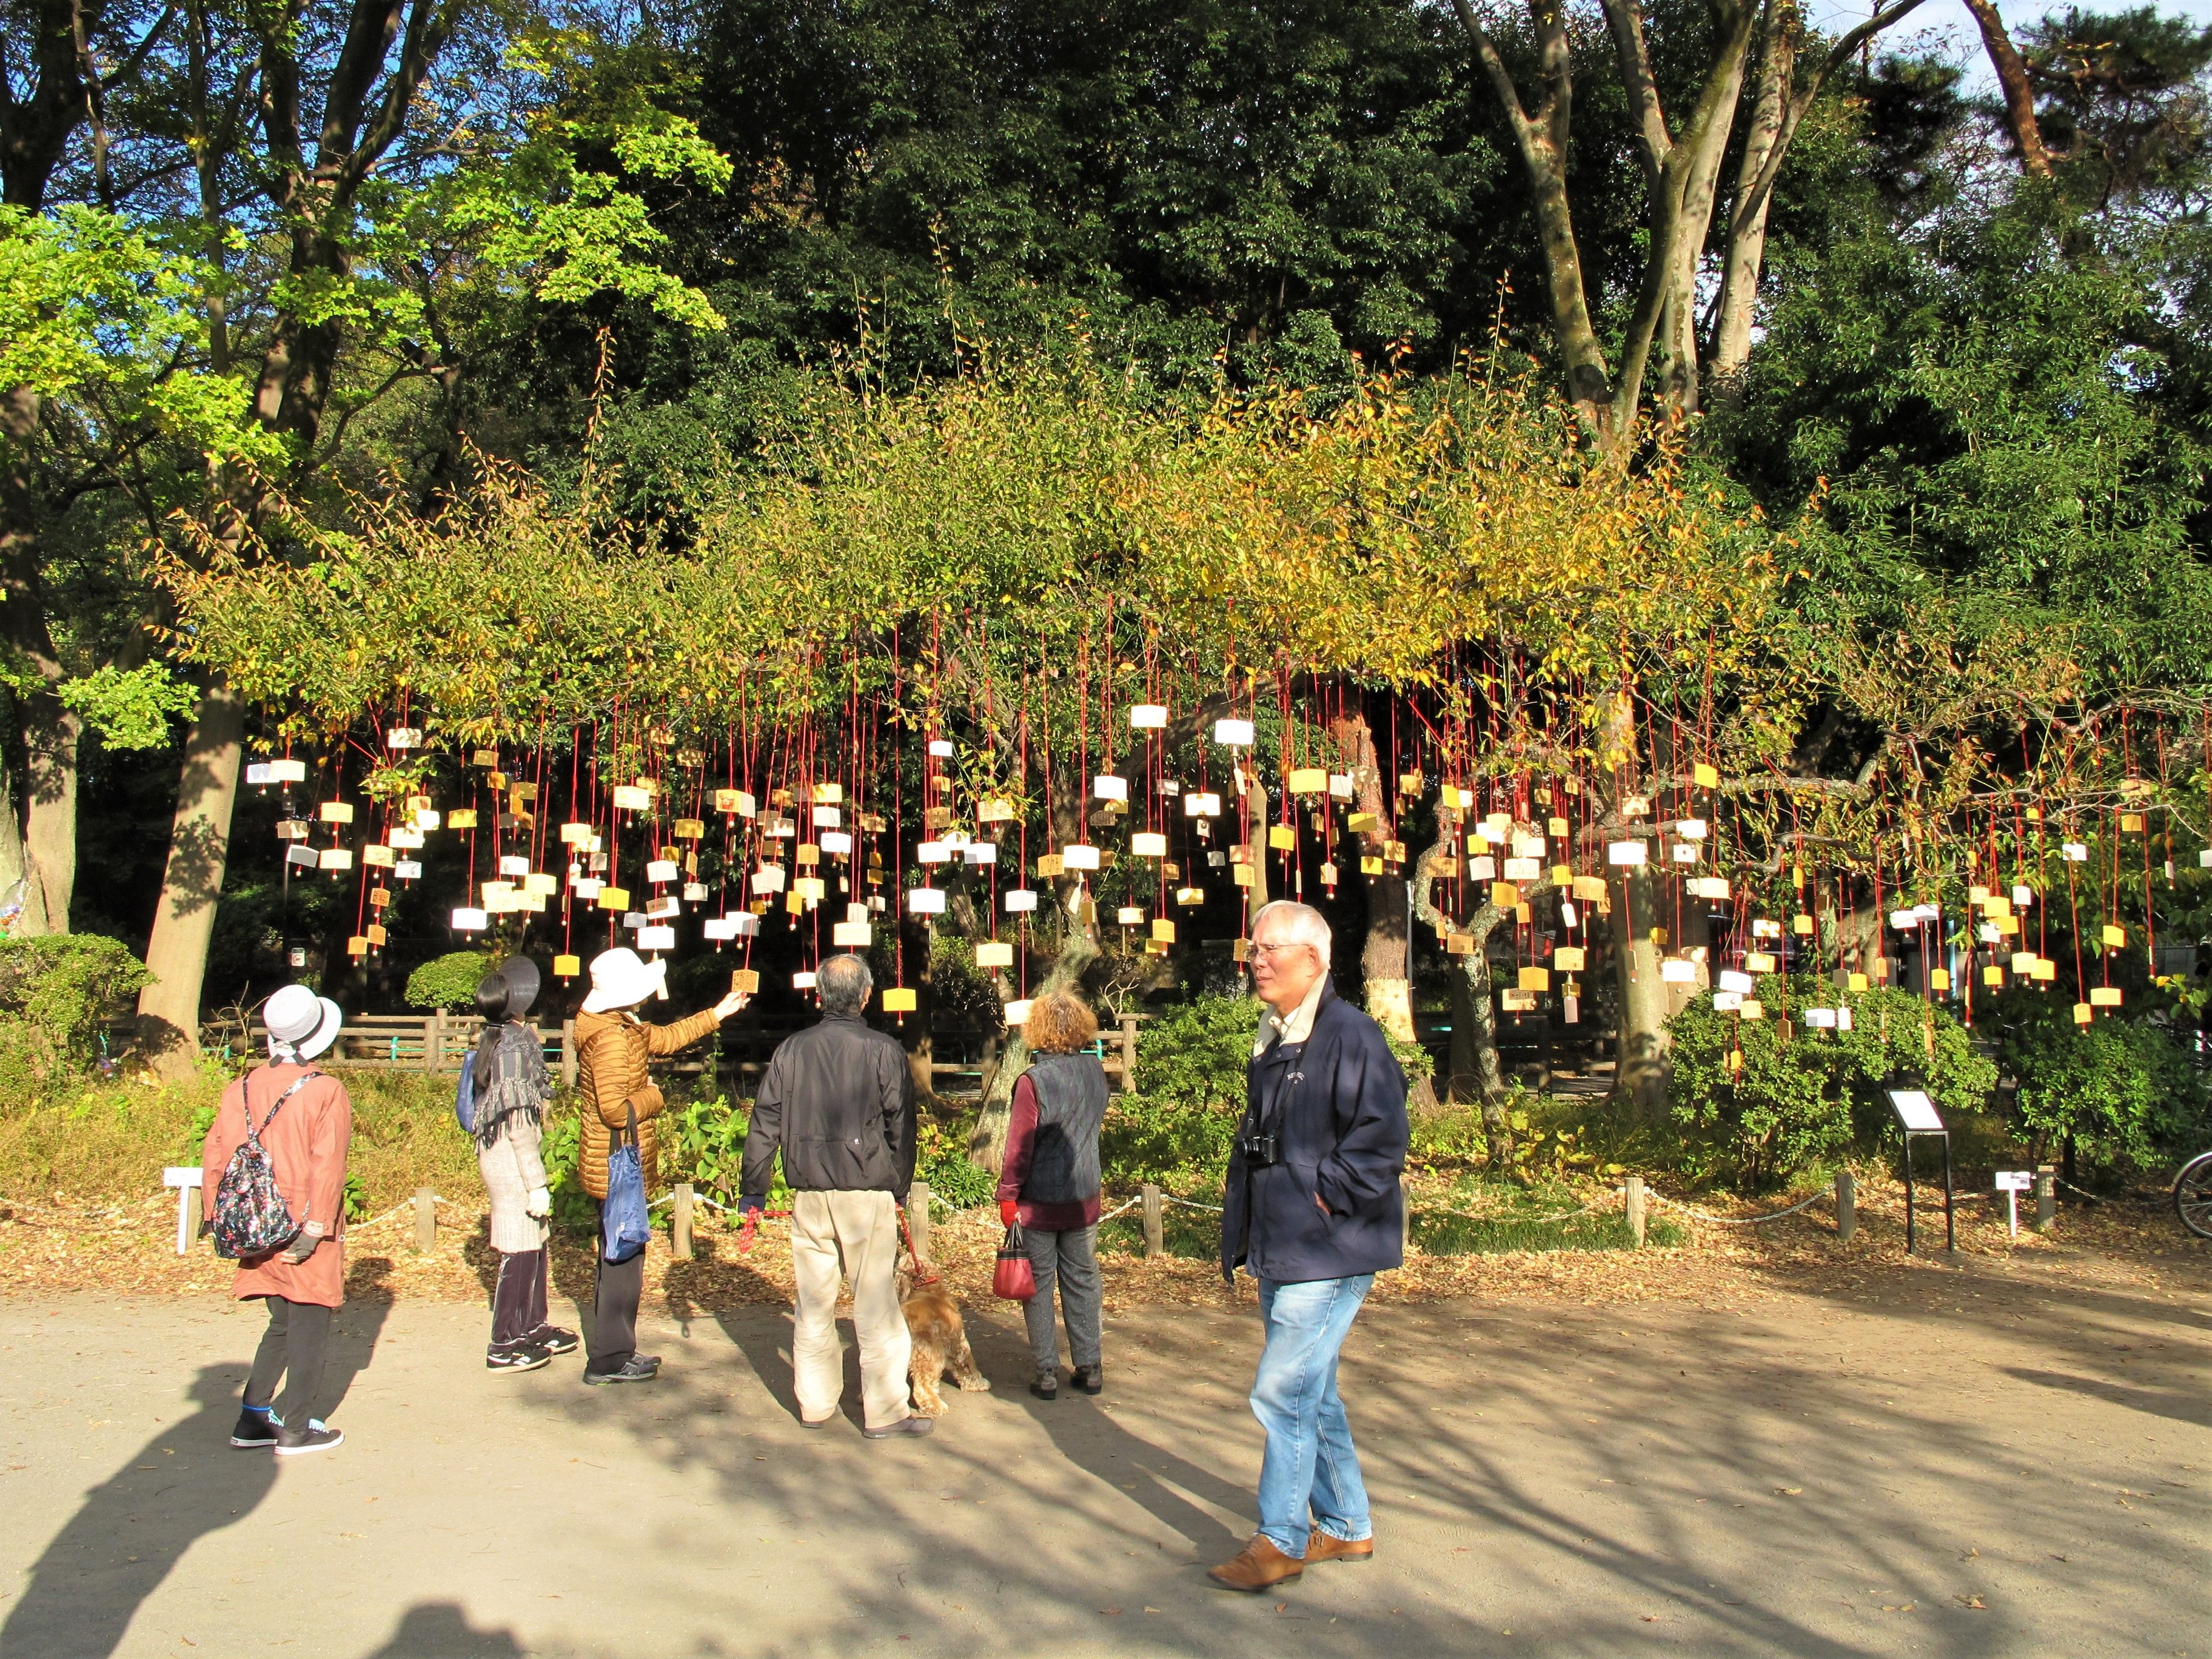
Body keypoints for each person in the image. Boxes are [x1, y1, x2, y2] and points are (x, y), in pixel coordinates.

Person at [1208, 900, 1409, 1592]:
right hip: (1282, 1238)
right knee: (1312, 1391)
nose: (1256, 961)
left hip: (1331, 1245)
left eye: (1270, 950)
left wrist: (1330, 1191)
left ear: (1315, 958)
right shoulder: (1277, 1033)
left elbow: (1383, 1138)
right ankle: (1348, 1525)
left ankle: (1281, 1539)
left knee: (1282, 1390)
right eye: (1253, 950)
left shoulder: (1352, 1036)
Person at [738, 953, 927, 1438]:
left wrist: (753, 1189)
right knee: (875, 1303)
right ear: (866, 995)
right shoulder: (882, 1050)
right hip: (865, 1192)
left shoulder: (792, 1050)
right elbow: (900, 1126)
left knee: (814, 1303)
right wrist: (899, 1185)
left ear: (820, 994)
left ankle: (816, 1403)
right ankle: (886, 1410)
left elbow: (765, 1122)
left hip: (810, 1192)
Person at [573, 947, 747, 1384]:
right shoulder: (612, 1038)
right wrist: (654, 1095)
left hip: (617, 1157)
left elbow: (665, 1038)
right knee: (622, 1257)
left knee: (621, 1254)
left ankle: (615, 1351)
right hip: (618, 1158)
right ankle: (610, 1358)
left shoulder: (618, 1025)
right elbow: (615, 1109)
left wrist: (716, 1014)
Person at [203, 983, 353, 1456]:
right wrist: (315, 1229)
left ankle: (253, 1417)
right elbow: (328, 1162)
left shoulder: (240, 1086)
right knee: (310, 1319)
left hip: (253, 1220)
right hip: (304, 1215)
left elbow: (216, 1154)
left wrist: (215, 1215)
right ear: (316, 1037)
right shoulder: (325, 1090)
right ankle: (297, 1427)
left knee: (283, 1320)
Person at [994, 988, 1108, 1401]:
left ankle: (1045, 1371)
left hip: (1039, 1201)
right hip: (1084, 1195)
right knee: (1083, 1280)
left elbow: (1019, 1146)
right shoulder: (1095, 1071)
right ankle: (1089, 1365)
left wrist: (1008, 1195)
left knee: (1039, 1285)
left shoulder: (1032, 1081)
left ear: (1038, 1029)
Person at [471, 958, 574, 1372]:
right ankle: (504, 1343)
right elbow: (518, 1124)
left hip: (503, 1156)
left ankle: (533, 1325)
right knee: (519, 1249)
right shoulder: (513, 1045)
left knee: (535, 1243)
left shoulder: (497, 1035)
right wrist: (536, 1184)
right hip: (511, 1161)